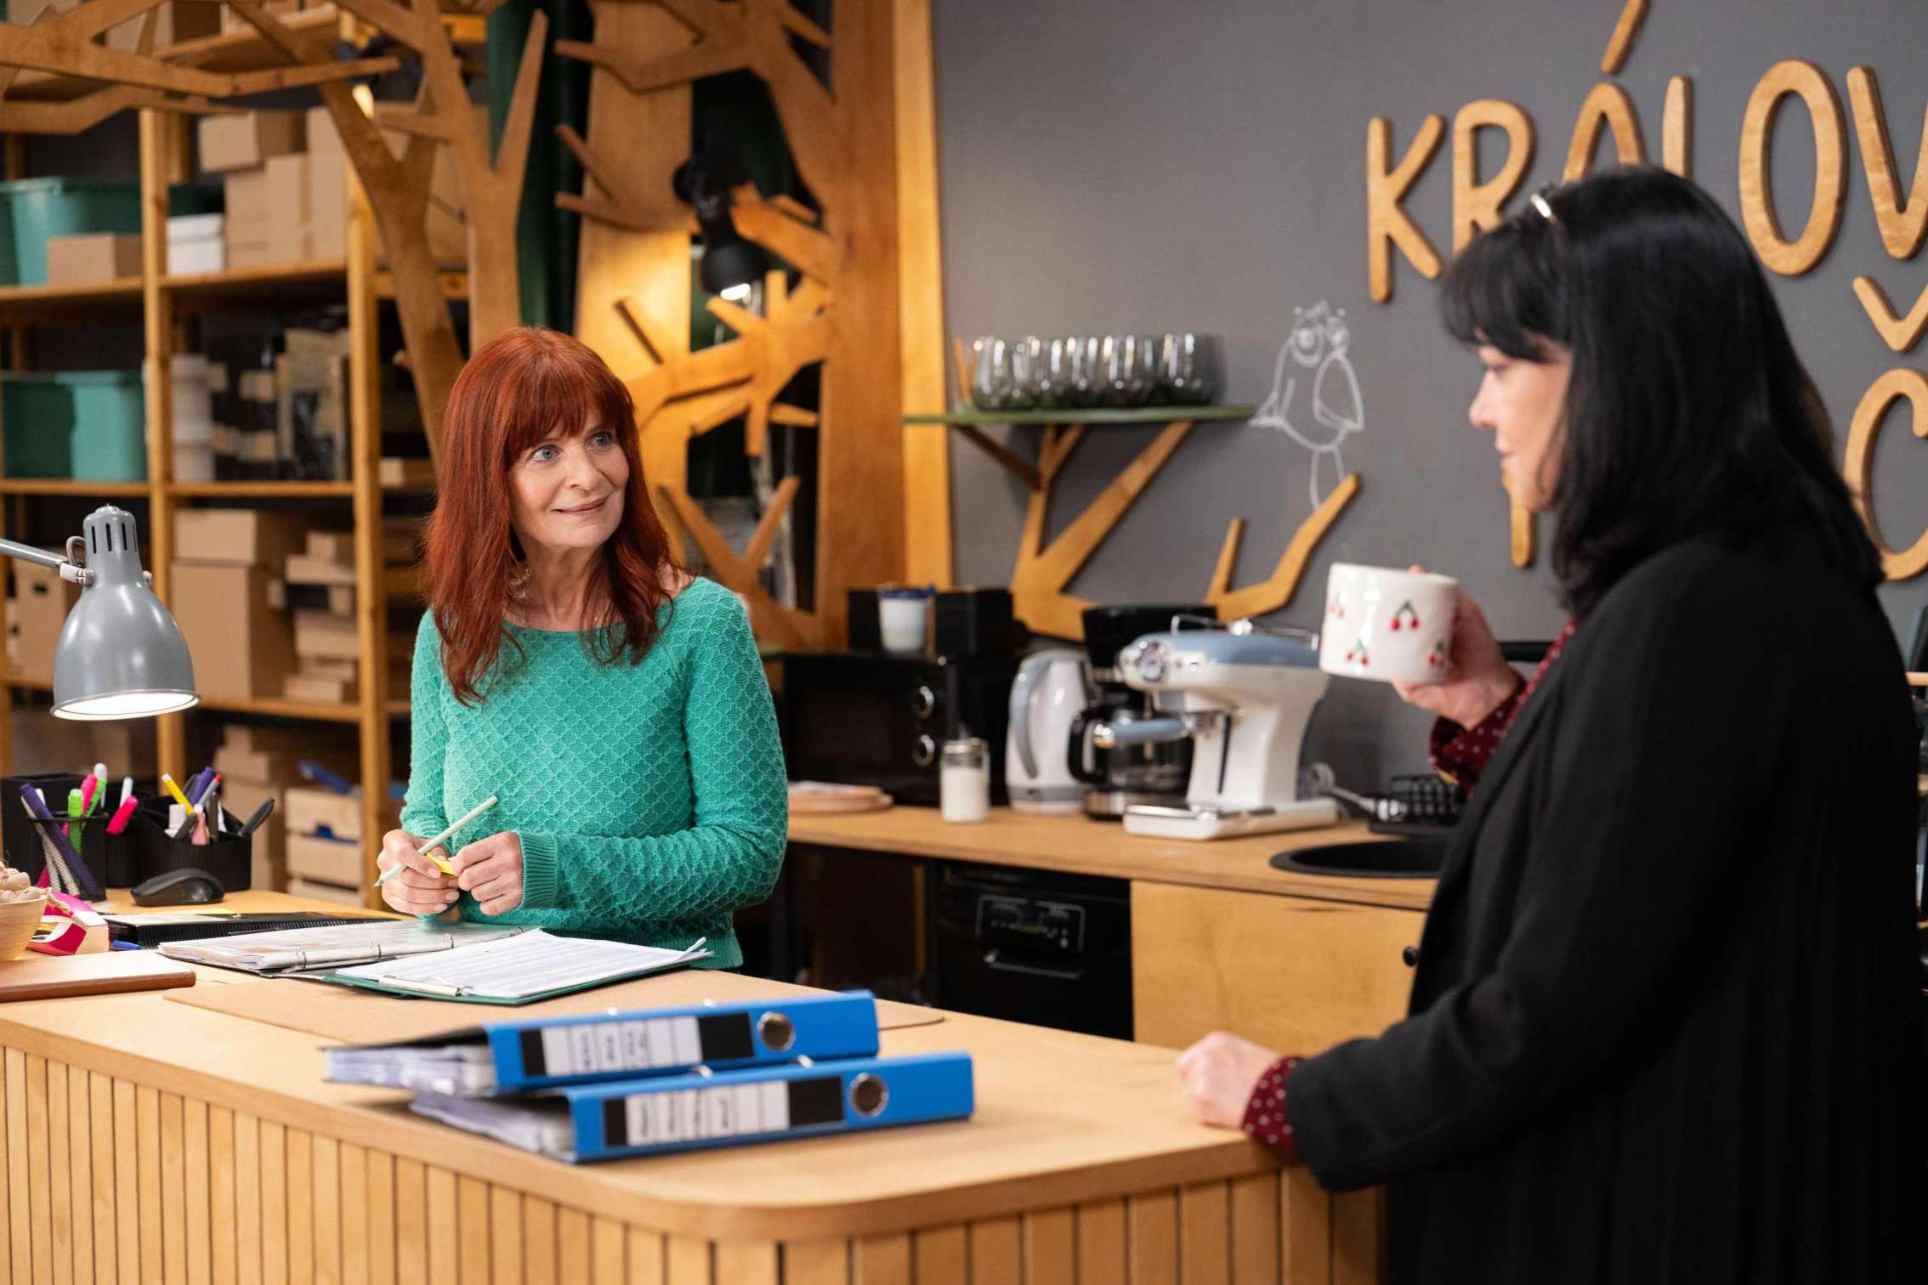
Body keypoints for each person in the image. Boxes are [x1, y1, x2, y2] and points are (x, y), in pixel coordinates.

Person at [1176, 168, 1924, 1281]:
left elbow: (1547, 1011)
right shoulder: (1778, 577)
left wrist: (1294, 1095)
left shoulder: (1685, 613)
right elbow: (1649, 854)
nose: (1479, 411)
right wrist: (1488, 707)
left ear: (1616, 373)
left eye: (1498, 369)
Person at [378, 327, 787, 970]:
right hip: (482, 979)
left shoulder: (703, 625)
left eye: (601, 439)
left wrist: (559, 869)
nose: (589, 476)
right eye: (546, 452)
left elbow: (748, 854)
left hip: (657, 987)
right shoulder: (451, 629)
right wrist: (416, 872)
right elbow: (429, 814)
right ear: (489, 479)